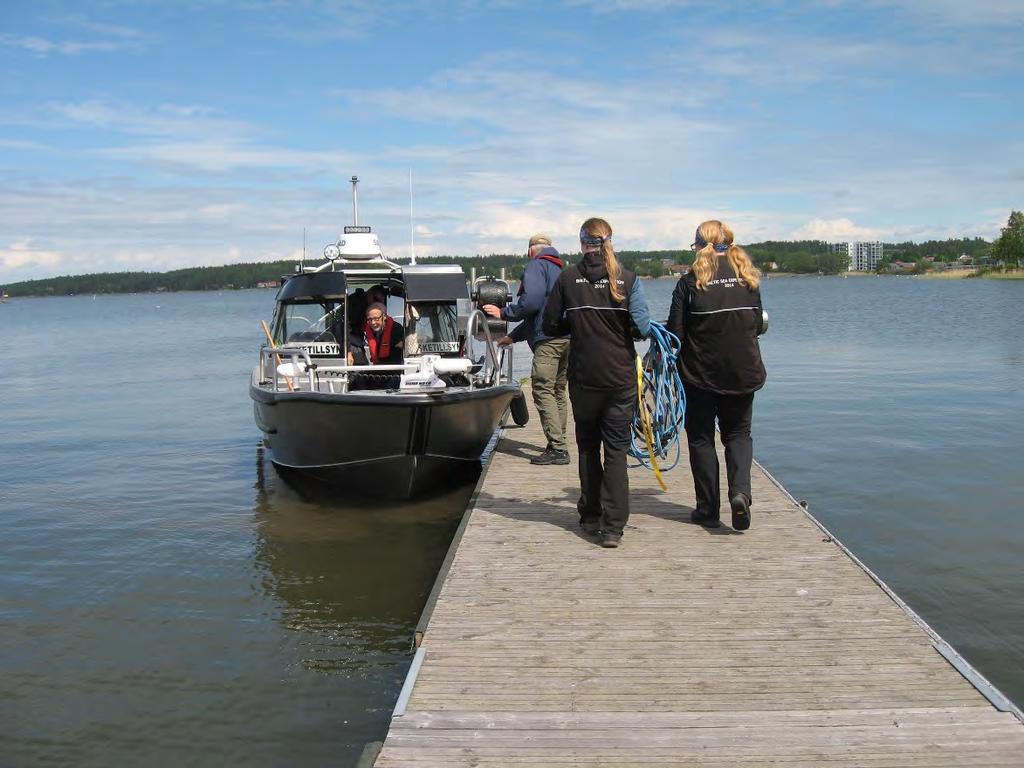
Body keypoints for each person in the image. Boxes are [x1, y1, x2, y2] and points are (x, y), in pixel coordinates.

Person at [542, 218, 650, 548]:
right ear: (608, 241)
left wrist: (575, 327)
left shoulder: (567, 279)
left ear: (581, 243)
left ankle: (590, 515)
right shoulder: (628, 279)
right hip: (619, 379)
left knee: (588, 449)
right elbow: (643, 328)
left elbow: (549, 325)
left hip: (584, 378)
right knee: (616, 452)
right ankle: (614, 527)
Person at [666, 220, 766, 531]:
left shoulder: (689, 283)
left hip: (700, 376)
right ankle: (740, 493)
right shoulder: (748, 279)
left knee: (701, 439)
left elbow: (675, 334)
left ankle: (708, 509)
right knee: (737, 435)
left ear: (699, 246)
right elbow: (756, 325)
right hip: (742, 372)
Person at [483, 234, 570, 465]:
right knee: (558, 391)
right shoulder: (561, 270)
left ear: (531, 250)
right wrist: (513, 337)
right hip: (567, 339)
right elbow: (539, 313)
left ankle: (558, 449)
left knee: (542, 390)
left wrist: (504, 313)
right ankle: (558, 443)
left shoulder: (536, 266)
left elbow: (530, 304)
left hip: (548, 341)